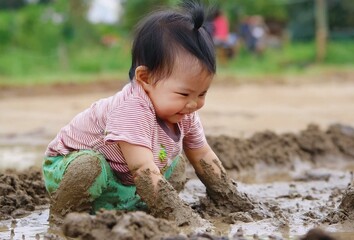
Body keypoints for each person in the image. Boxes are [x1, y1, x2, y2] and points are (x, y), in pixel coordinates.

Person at [42, 0, 252, 227]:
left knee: (177, 165)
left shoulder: (184, 111)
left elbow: (202, 156)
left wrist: (231, 198)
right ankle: (65, 218)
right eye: (183, 94)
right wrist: (182, 217)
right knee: (90, 167)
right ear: (145, 78)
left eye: (202, 94)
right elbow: (141, 169)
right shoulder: (131, 108)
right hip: (71, 169)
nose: (193, 104)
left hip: (121, 178)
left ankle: (134, 208)